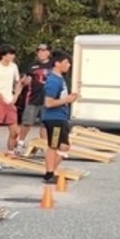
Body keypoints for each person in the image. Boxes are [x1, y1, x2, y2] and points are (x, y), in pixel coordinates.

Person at [40, 49, 78, 186]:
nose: (69, 65)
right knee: (53, 145)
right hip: (53, 118)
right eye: (66, 62)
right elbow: (48, 103)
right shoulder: (53, 81)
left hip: (61, 117)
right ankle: (49, 173)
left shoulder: (61, 79)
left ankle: (51, 171)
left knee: (65, 146)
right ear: (57, 63)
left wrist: (70, 99)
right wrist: (66, 99)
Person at [17, 43, 52, 153]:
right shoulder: (32, 65)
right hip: (33, 97)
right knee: (27, 122)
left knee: (45, 124)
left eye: (43, 50)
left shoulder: (53, 65)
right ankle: (20, 143)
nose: (41, 53)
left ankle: (44, 145)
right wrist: (24, 82)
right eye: (39, 51)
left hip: (48, 98)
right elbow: (24, 80)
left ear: (48, 52)